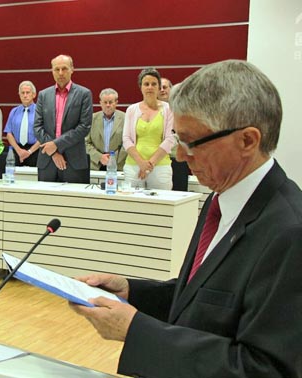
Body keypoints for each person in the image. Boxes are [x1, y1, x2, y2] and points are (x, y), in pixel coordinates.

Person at [70, 60, 302, 377]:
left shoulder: (290, 233)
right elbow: (201, 299)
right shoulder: (219, 200)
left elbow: (265, 369)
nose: (180, 155)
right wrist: (130, 291)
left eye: (192, 142)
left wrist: (136, 331)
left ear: (247, 140)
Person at [33, 54, 92, 183]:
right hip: (47, 161)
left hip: (74, 161)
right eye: (56, 69)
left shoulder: (84, 94)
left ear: (72, 69)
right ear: (52, 71)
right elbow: (37, 127)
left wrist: (56, 145)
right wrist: (53, 152)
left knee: (73, 202)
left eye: (64, 68)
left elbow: (84, 127)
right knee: (44, 202)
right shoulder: (43, 95)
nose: (60, 73)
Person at [122, 67, 174, 190]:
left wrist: (150, 164)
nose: (150, 87)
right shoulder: (131, 110)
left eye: (154, 84)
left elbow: (170, 139)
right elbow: (126, 139)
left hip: (160, 167)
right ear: (141, 87)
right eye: (146, 84)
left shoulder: (169, 109)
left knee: (162, 206)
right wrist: (141, 163)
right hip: (134, 166)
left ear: (158, 87)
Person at [85, 88, 127, 171]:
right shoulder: (92, 118)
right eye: (105, 102)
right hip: (96, 164)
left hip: (118, 165)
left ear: (116, 103)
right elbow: (85, 142)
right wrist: (99, 157)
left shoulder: (125, 118)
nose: (108, 105)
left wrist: (112, 158)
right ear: (100, 103)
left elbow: (128, 142)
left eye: (111, 102)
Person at [4, 80, 40, 167]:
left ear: (34, 95)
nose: (25, 95)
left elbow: (44, 135)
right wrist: (19, 150)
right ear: (19, 95)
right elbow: (9, 133)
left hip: (35, 151)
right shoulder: (14, 111)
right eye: (22, 93)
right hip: (17, 151)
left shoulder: (40, 111)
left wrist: (29, 151)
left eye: (28, 92)